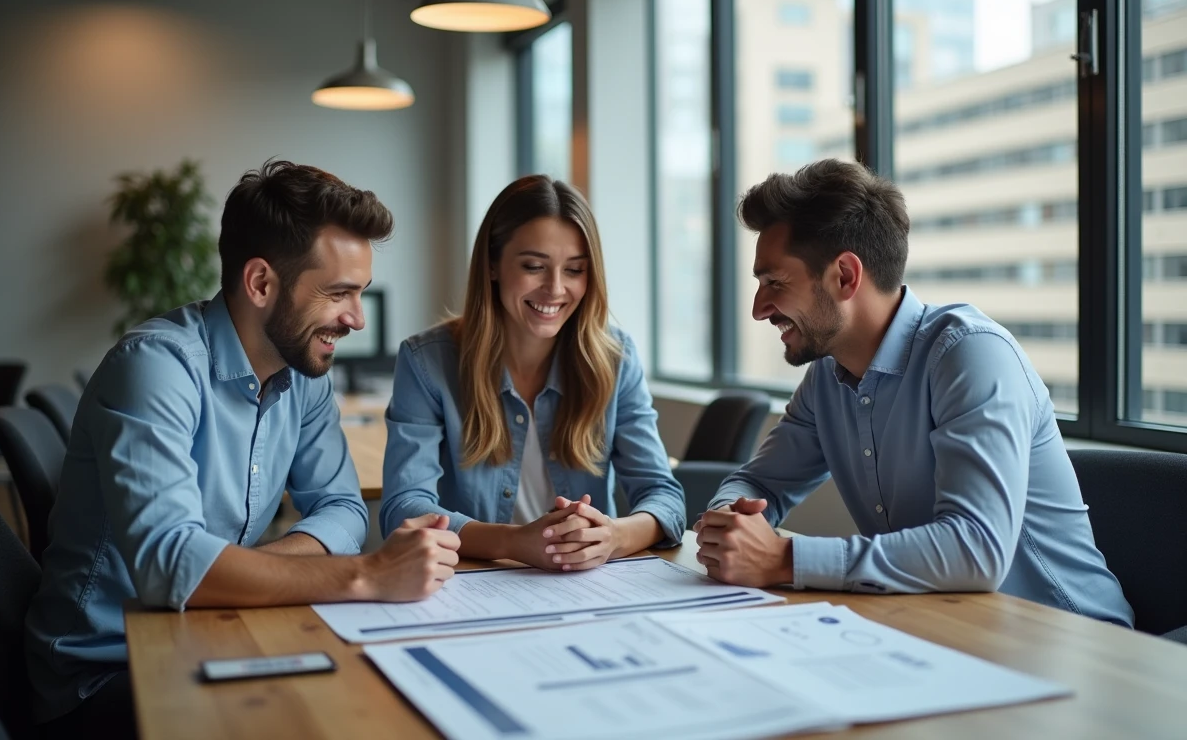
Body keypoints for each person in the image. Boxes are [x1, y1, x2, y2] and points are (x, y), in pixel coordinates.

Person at [26, 161, 460, 736]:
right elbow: (171, 568)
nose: (356, 318)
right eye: (339, 293)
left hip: (207, 628)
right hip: (104, 669)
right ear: (260, 283)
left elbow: (346, 512)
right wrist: (366, 576)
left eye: (361, 295)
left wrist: (237, 572)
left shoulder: (305, 377)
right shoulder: (157, 367)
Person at [695, 159, 1133, 626]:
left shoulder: (971, 355)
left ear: (845, 275)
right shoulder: (827, 377)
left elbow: (975, 548)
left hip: (1070, 641)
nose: (760, 309)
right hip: (943, 632)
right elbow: (760, 484)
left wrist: (785, 557)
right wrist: (732, 524)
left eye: (774, 283)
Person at [380, 174, 685, 571]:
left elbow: (664, 496)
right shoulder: (427, 363)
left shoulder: (616, 358)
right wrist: (514, 542)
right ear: (492, 265)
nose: (555, 289)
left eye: (574, 270)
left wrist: (613, 536)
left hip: (586, 586)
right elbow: (405, 510)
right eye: (533, 266)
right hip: (471, 583)